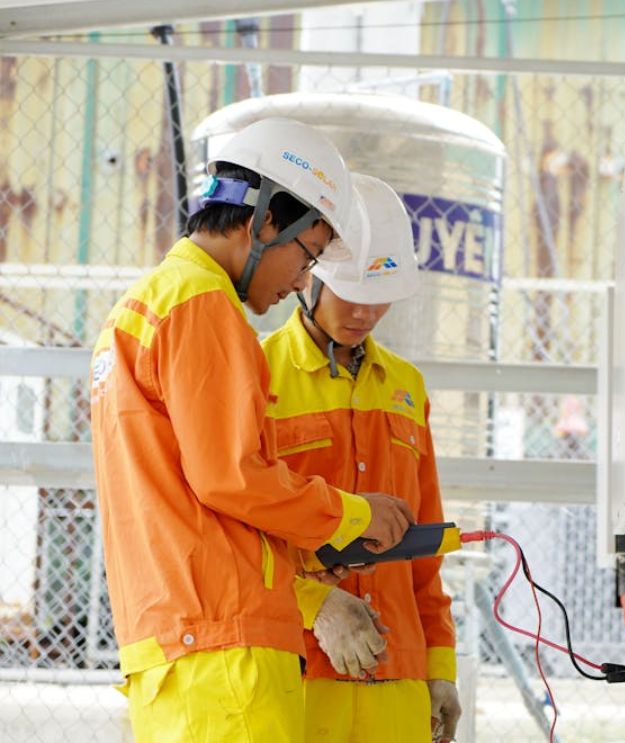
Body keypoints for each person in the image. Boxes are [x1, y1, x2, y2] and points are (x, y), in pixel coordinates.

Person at [89, 118, 415, 743]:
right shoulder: (203, 304)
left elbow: (190, 488)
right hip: (227, 654)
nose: (301, 281)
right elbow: (229, 476)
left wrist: (300, 554)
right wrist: (353, 516)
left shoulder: (141, 308)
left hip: (176, 648)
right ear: (264, 221)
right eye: (308, 256)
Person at [263, 173, 461, 743]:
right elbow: (237, 539)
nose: (366, 314)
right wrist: (312, 606)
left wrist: (439, 668)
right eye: (354, 295)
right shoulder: (256, 375)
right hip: (297, 671)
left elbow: (425, 551)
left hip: (398, 677)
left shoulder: (406, 386)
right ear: (309, 278)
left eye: (381, 300)